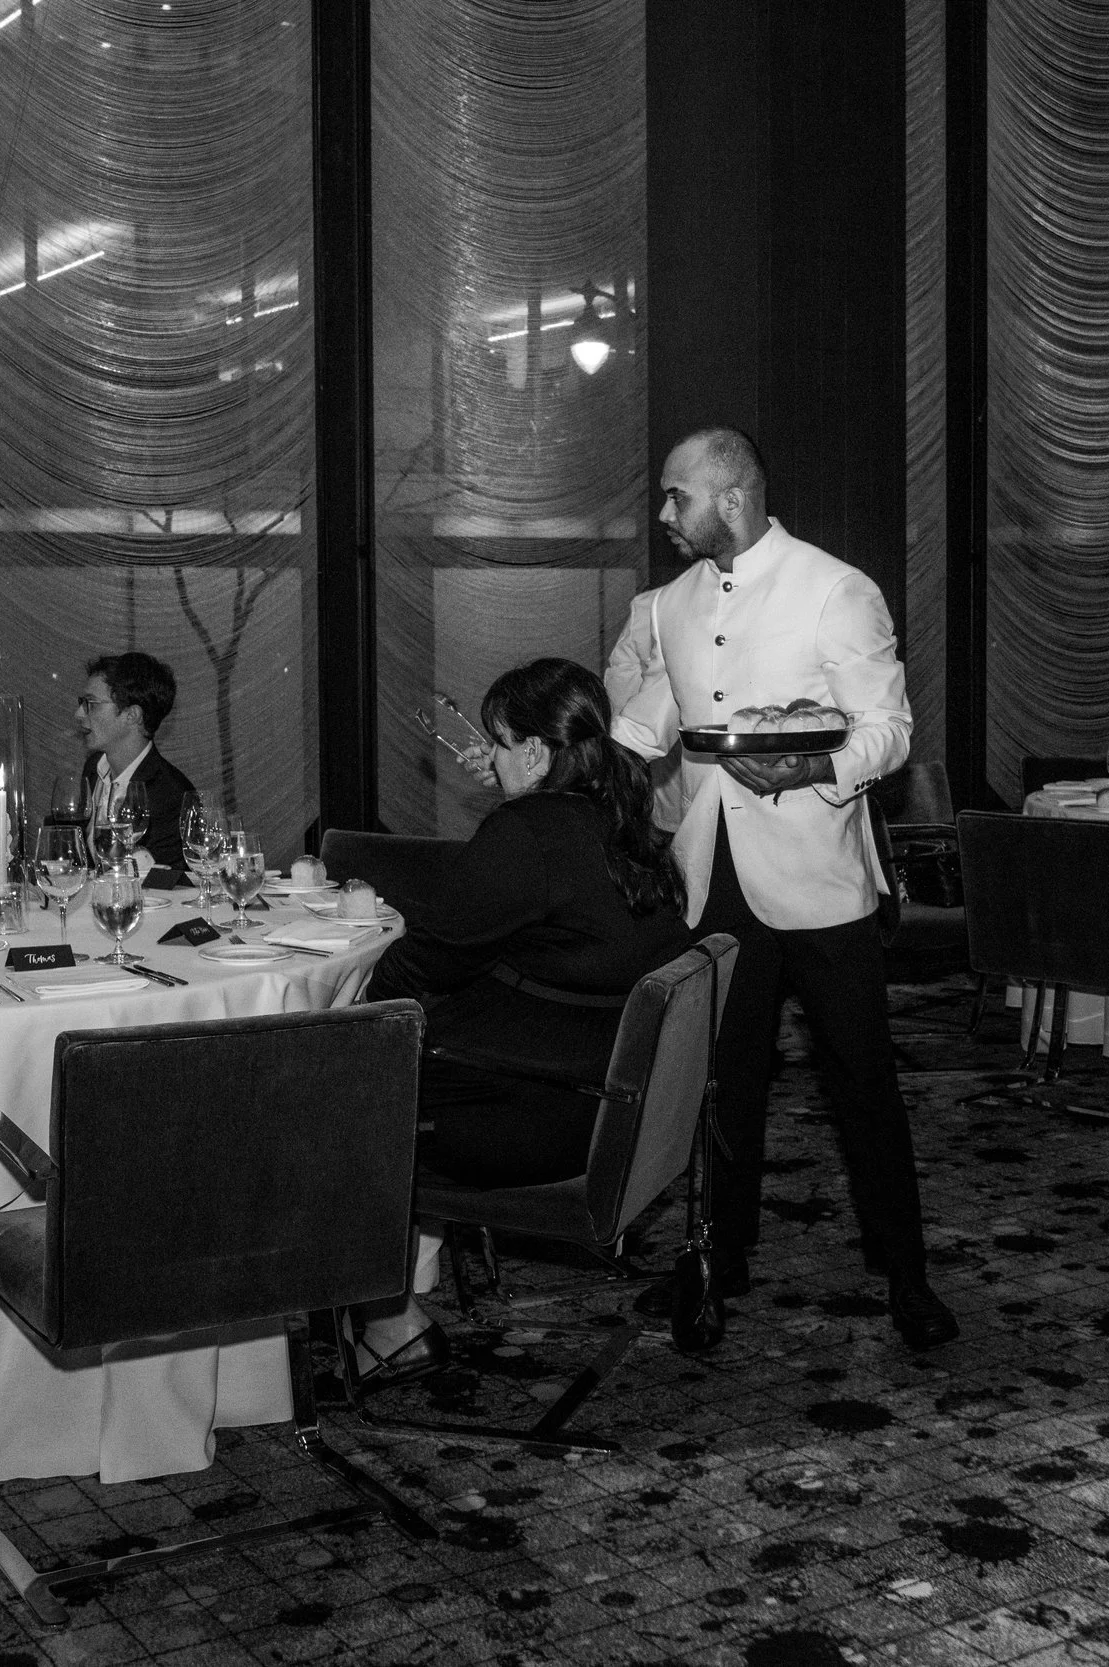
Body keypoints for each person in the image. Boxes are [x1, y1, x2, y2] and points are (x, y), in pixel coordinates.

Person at [610, 425, 956, 1350]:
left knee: (863, 1084)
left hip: (819, 877)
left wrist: (810, 767)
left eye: (676, 495)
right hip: (713, 873)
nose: (663, 514)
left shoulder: (835, 589)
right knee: (723, 1082)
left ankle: (906, 1274)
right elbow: (649, 721)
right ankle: (721, 1254)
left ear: (731, 497)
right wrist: (563, 762)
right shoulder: (673, 604)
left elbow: (888, 729)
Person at [355, 656, 693, 1377]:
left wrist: (351, 1014)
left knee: (333, 1092)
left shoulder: (530, 835)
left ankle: (387, 1321)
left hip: (533, 1116)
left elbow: (427, 960)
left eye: (501, 742)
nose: (489, 756)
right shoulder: (626, 822)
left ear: (537, 753)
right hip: (604, 1104)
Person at [74, 651, 197, 887]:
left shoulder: (172, 795)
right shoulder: (92, 770)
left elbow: (169, 888)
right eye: (82, 703)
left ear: (132, 715)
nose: (79, 714)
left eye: (91, 704)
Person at [604, 585, 688, 833]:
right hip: (666, 793)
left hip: (662, 794)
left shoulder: (651, 603)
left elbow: (621, 691)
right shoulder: (651, 603)